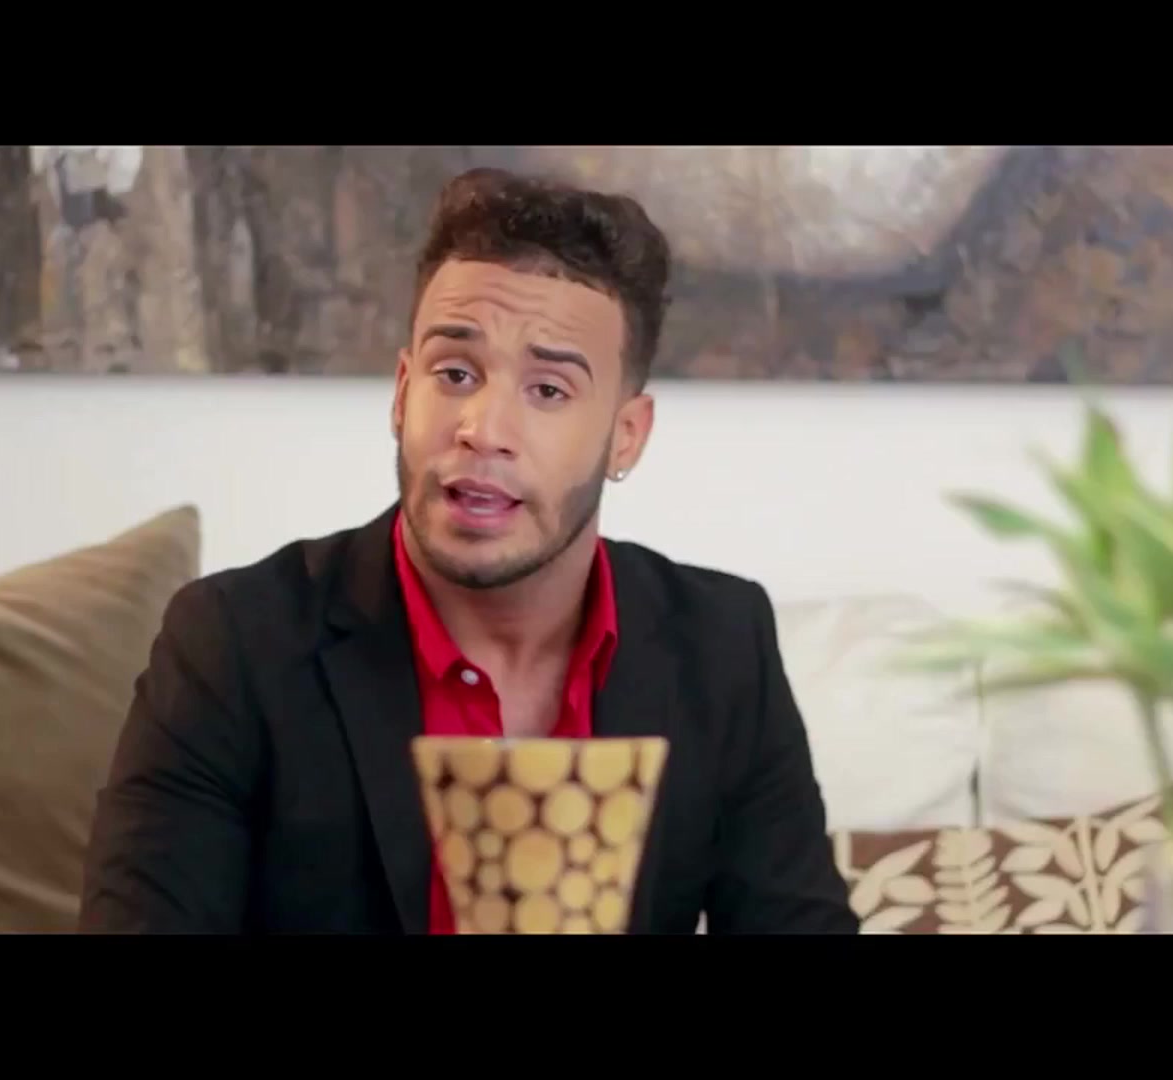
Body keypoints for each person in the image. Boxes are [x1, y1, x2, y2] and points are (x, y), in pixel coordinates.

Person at [78, 165, 856, 934]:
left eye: (548, 390)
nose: (482, 430)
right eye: (454, 373)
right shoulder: (234, 644)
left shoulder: (722, 646)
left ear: (626, 435)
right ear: (401, 393)